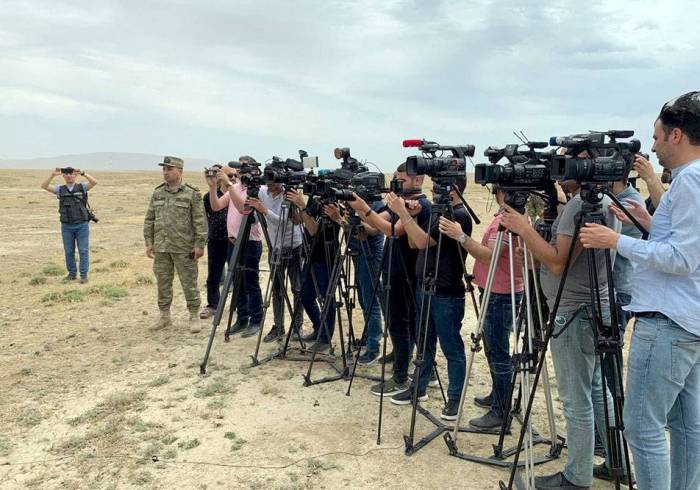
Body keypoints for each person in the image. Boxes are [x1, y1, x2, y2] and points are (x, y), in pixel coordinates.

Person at [580, 91, 700, 490]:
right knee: (686, 425)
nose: (653, 146)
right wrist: (647, 222)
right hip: (686, 320)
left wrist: (615, 241)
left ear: (677, 135)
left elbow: (682, 259)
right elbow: (686, 246)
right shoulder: (691, 179)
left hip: (666, 322)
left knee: (642, 426)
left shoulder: (690, 180)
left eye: (657, 136)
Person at [500, 170, 623, 489]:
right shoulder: (602, 199)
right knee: (597, 389)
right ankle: (618, 461)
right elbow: (564, 259)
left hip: (574, 313)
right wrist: (535, 251)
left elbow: (558, 263)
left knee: (576, 399)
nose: (557, 168)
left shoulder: (581, 204)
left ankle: (576, 477)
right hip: (592, 309)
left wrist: (525, 229)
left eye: (565, 158)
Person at [386, 176, 472, 421]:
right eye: (433, 187)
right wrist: (412, 217)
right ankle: (419, 387)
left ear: (455, 189)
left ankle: (454, 398)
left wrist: (403, 213)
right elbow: (415, 244)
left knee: (451, 347)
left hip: (445, 291)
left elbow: (424, 241)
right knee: (424, 343)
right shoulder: (438, 212)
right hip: (425, 285)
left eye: (439, 187)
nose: (434, 191)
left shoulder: (458, 216)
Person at [440, 184, 524, 429]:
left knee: (498, 353)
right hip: (497, 290)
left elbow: (490, 256)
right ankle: (498, 396)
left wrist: (461, 236)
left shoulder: (509, 220)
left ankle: (501, 411)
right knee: (493, 349)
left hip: (500, 293)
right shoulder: (507, 216)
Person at [349, 163, 430, 396]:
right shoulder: (401, 203)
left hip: (405, 273)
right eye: (395, 180)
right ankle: (410, 365)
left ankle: (401, 377)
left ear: (418, 180)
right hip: (394, 270)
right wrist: (355, 211)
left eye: (401, 181)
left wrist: (365, 209)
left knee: (400, 323)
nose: (396, 185)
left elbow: (390, 230)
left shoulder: (419, 205)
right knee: (402, 323)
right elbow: (375, 224)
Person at [144, 156, 207, 333]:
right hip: (162, 247)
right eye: (164, 169)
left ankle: (194, 315)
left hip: (184, 248)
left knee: (189, 282)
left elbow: (200, 222)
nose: (166, 172)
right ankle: (164, 316)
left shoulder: (191, 193)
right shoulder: (158, 193)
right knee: (163, 282)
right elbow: (150, 219)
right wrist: (149, 242)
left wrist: (200, 245)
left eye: (169, 169)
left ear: (180, 171)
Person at [209, 157, 264, 338]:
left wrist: (229, 186)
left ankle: (256, 320)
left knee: (250, 282)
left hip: (250, 242)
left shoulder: (256, 189)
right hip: (233, 242)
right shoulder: (237, 187)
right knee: (237, 283)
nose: (239, 174)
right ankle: (242, 318)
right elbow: (216, 206)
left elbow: (243, 208)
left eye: (242, 170)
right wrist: (212, 187)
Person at [245, 180, 305, 342]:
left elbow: (283, 222)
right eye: (268, 180)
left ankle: (297, 325)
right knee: (277, 289)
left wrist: (263, 210)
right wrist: (254, 210)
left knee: (297, 288)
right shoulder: (262, 192)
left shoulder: (288, 194)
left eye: (274, 180)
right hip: (275, 246)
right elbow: (256, 217)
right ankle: (278, 326)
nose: (270, 184)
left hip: (293, 245)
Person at [285, 190, 342, 353]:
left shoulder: (332, 203)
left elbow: (313, 230)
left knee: (326, 298)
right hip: (310, 254)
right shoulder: (314, 199)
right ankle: (319, 328)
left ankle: (325, 338)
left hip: (326, 257)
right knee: (305, 296)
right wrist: (293, 205)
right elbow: (298, 221)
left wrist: (303, 206)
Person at [41, 166, 98, 283]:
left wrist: (83, 173)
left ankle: (83, 275)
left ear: (75, 175)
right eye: (66, 174)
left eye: (71, 173)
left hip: (82, 225)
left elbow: (94, 182)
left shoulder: (82, 187)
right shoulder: (59, 189)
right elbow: (44, 186)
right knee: (69, 252)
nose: (69, 176)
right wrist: (52, 175)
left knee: (83, 250)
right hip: (66, 226)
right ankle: (72, 274)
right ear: (63, 176)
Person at [347, 200, 385, 365]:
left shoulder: (377, 205)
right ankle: (370, 336)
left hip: (370, 254)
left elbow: (374, 230)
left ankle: (373, 347)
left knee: (371, 301)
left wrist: (353, 217)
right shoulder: (357, 204)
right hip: (358, 252)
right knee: (364, 299)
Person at [200, 165, 230, 319]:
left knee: (238, 273)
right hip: (216, 239)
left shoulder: (234, 193)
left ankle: (239, 305)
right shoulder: (208, 196)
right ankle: (213, 305)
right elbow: (205, 217)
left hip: (233, 240)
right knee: (213, 275)